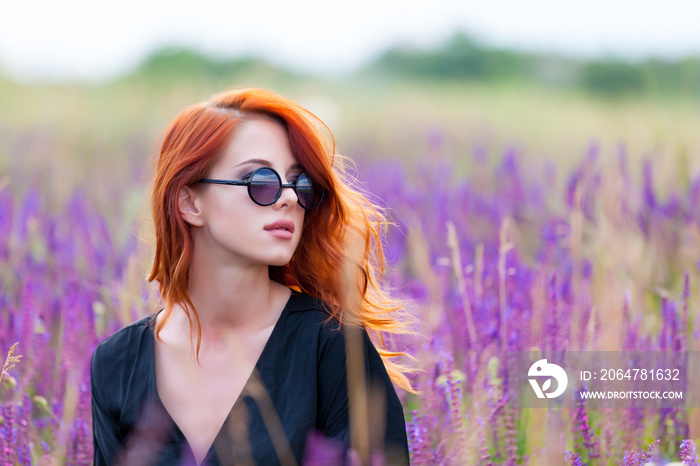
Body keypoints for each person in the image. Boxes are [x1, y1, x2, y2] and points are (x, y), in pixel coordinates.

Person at [90, 87, 414, 466]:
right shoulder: (116, 363)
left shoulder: (331, 344)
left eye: (300, 183)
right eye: (260, 181)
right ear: (190, 203)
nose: (289, 198)